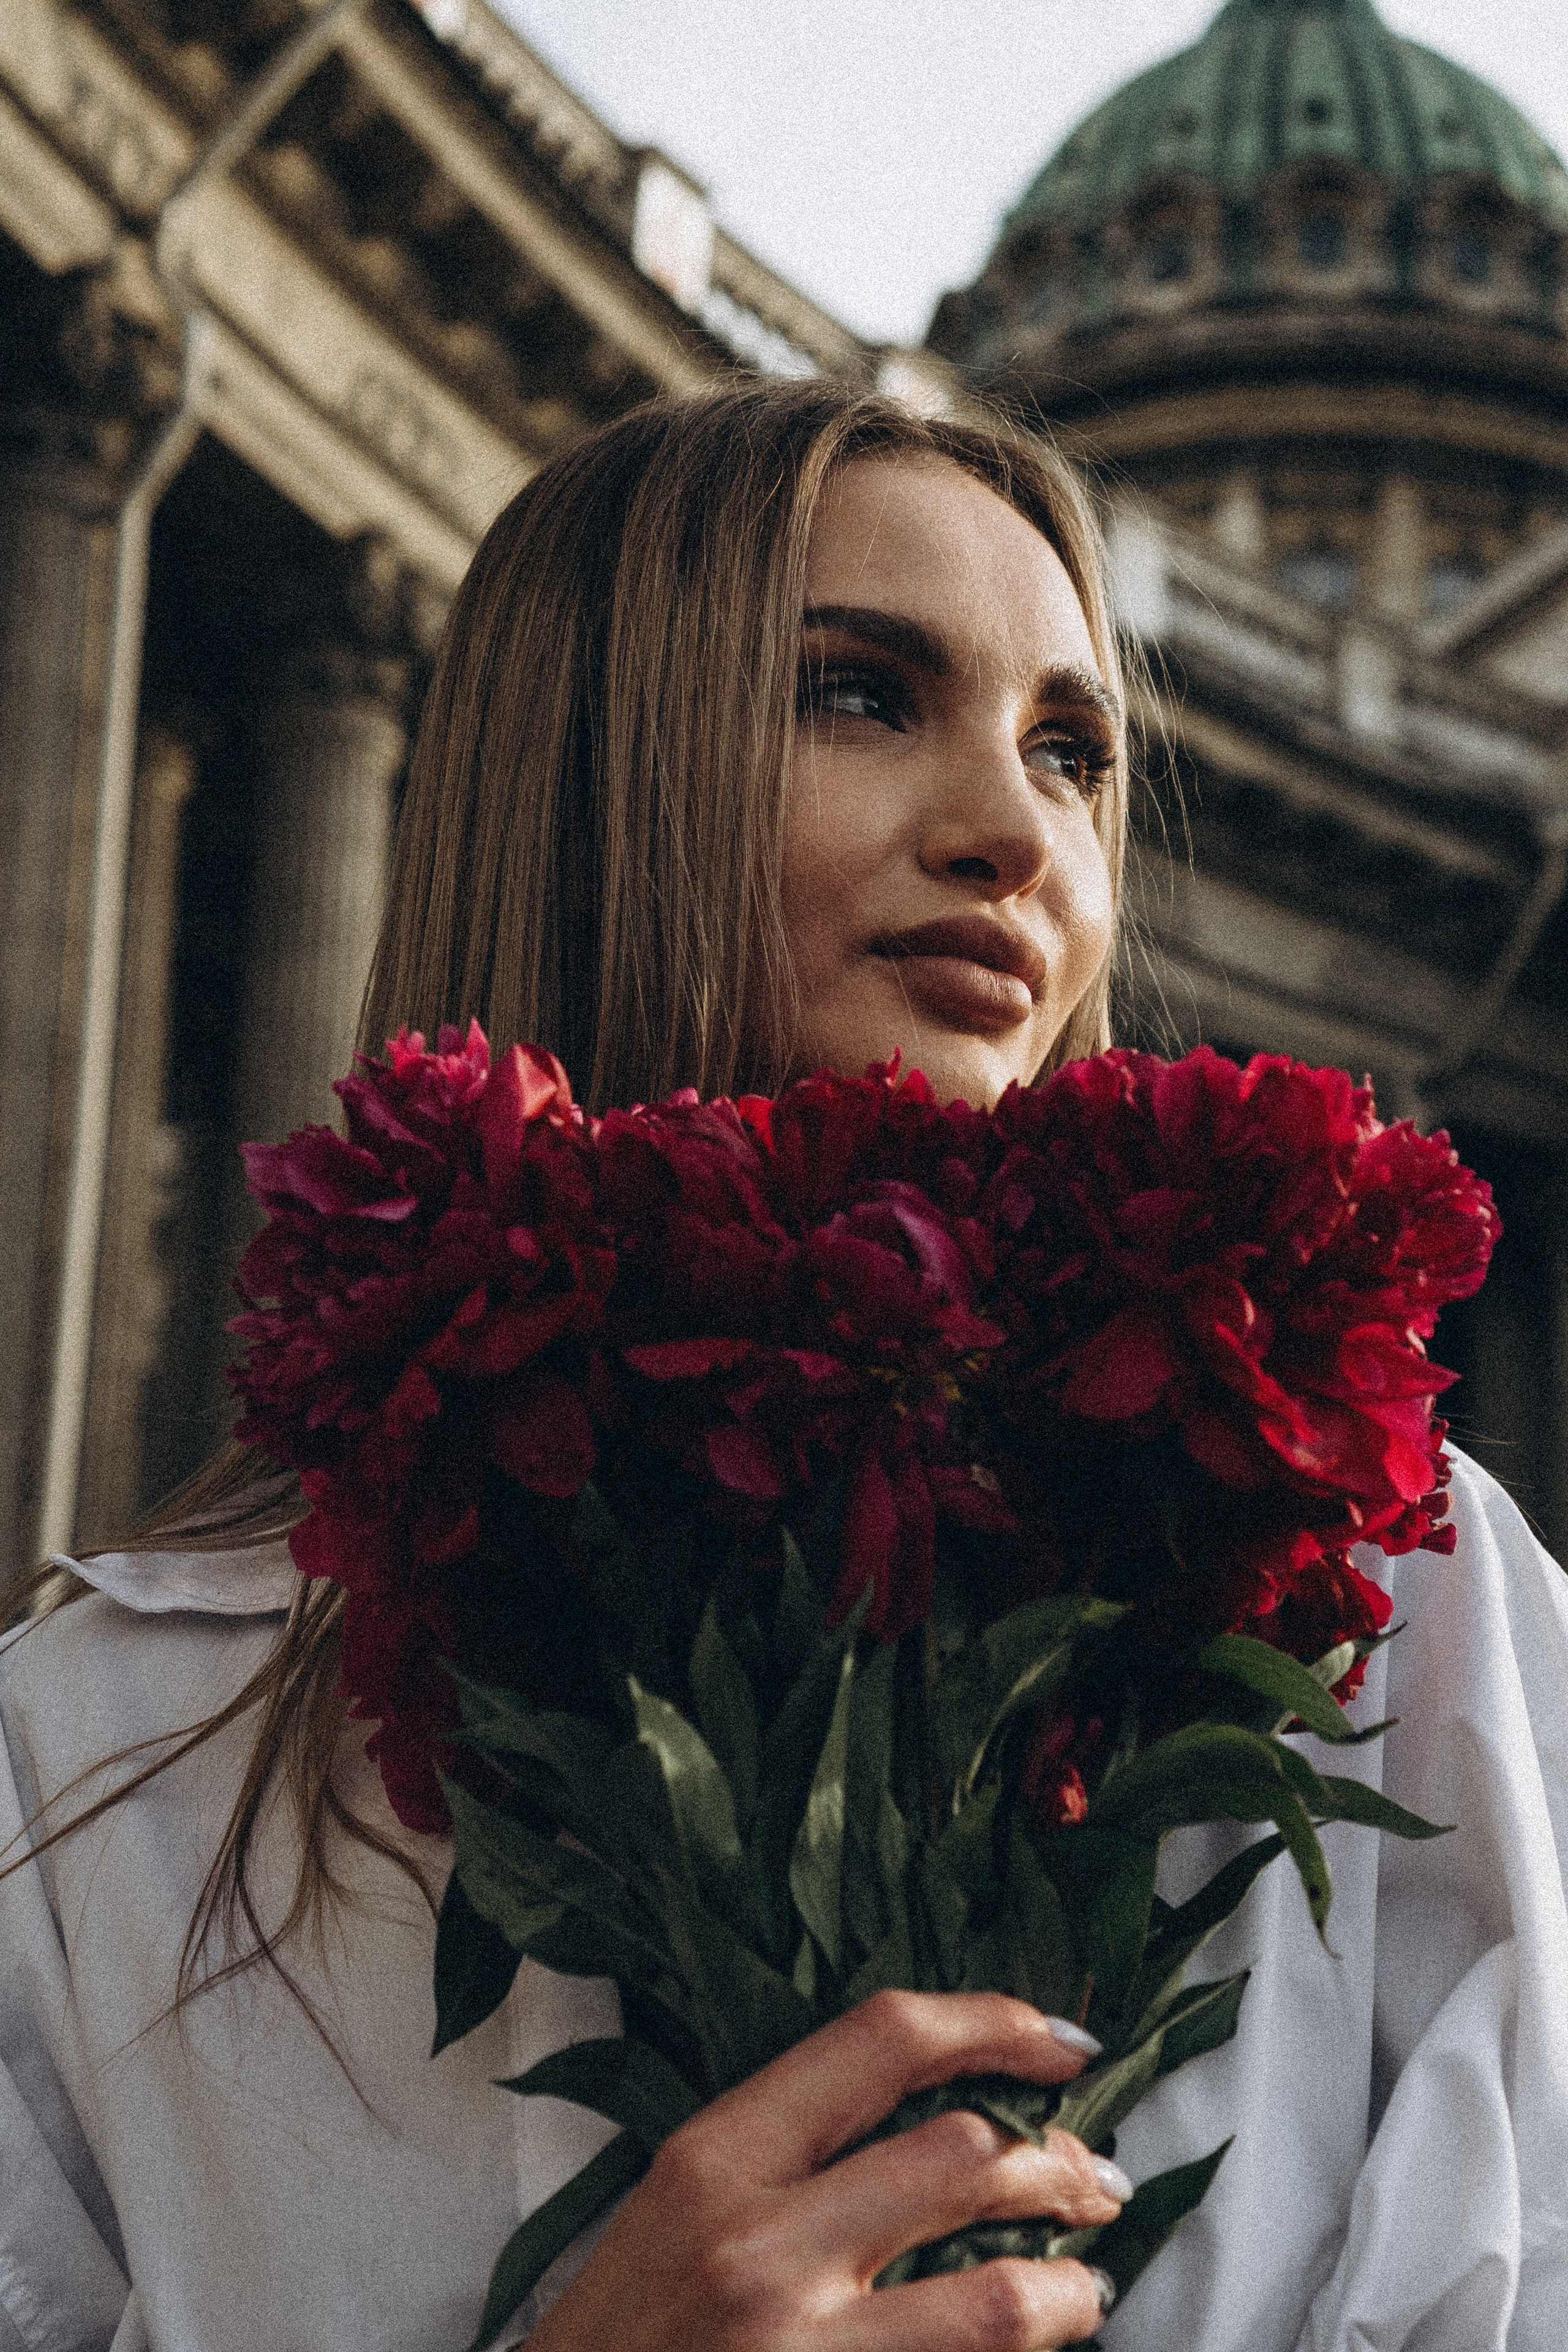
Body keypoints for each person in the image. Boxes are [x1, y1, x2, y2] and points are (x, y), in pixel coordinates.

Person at [2, 382, 1565, 2352]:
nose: (1016, 835)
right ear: (589, 777)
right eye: (858, 694)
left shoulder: (1412, 1616)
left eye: (1071, 751)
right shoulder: (93, 1771)